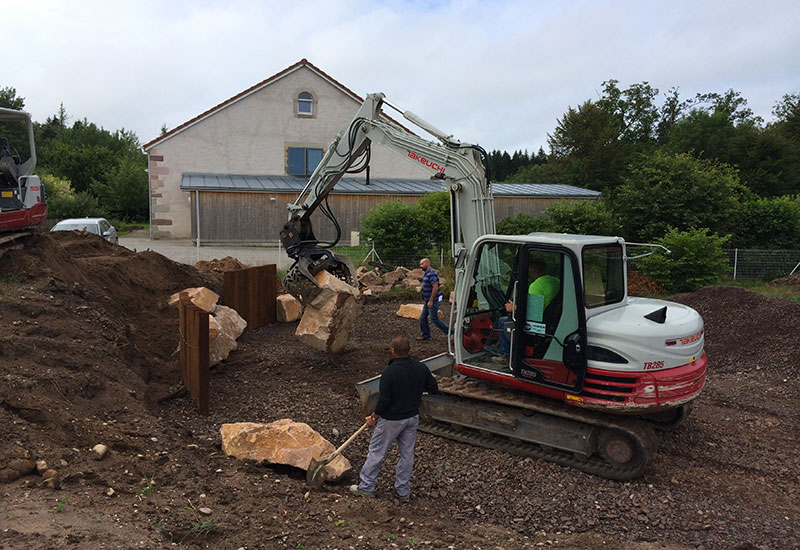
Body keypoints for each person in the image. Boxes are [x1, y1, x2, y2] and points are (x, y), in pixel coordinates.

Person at [350, 336, 438, 502]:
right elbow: (433, 387)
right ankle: (403, 491)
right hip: (412, 417)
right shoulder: (421, 368)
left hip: (391, 420)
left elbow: (384, 400)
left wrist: (374, 417)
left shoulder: (389, 373)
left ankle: (366, 487)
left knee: (376, 452)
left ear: (393, 351)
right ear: (408, 350)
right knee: (407, 454)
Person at [491, 259, 559, 363]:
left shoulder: (536, 286)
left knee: (503, 321)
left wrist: (514, 308)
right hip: (552, 320)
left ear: (532, 270)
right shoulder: (556, 281)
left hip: (538, 324)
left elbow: (533, 313)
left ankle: (507, 355)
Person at [417, 257, 449, 341]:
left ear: (427, 264)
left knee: (434, 319)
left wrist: (431, 300)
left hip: (433, 300)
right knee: (423, 317)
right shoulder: (426, 273)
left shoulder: (432, 273)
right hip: (428, 300)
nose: (420, 266)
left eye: (422, 264)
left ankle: (450, 332)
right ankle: (426, 335)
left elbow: (435, 287)